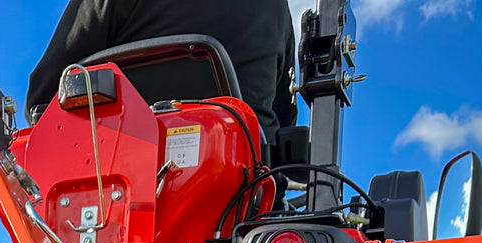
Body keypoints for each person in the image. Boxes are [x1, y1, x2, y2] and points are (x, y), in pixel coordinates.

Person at [25, 0, 299, 144]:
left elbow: (44, 96)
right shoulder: (276, 10)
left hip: (114, 192)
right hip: (241, 199)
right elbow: (282, 135)